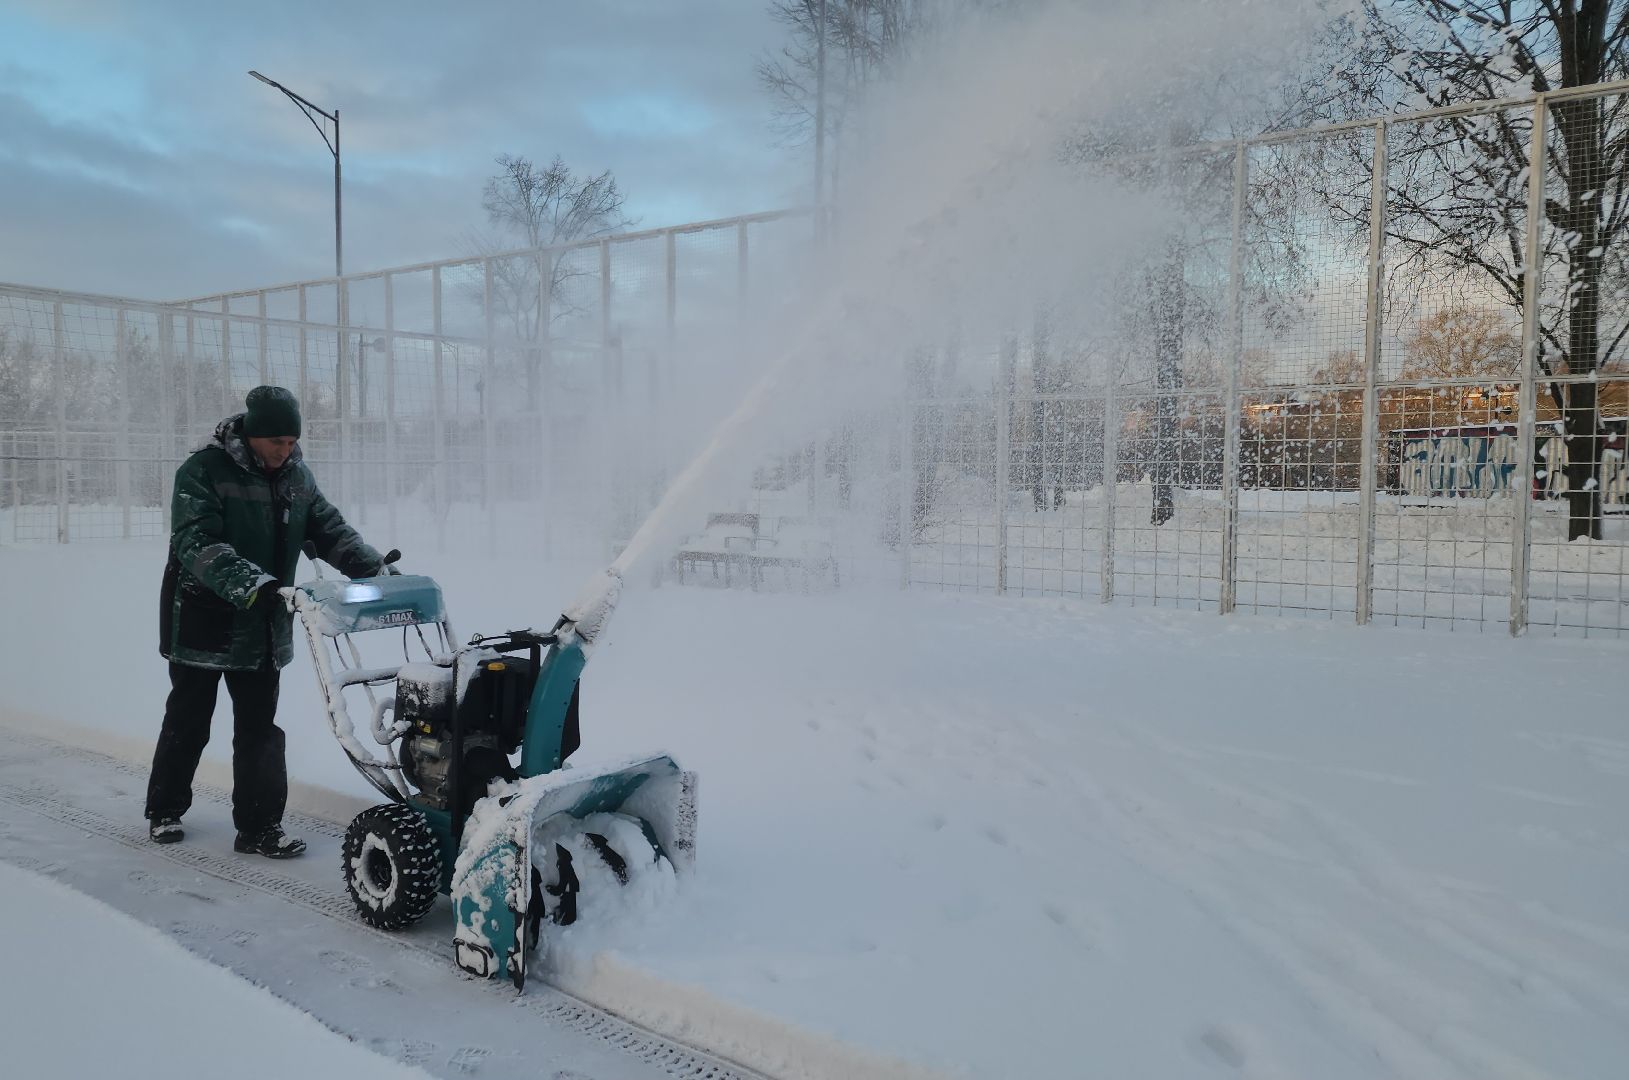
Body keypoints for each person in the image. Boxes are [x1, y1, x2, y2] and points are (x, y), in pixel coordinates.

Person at [146, 385, 392, 857]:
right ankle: (165, 809)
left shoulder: (297, 477)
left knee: (260, 729)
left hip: (263, 626)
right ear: (253, 435)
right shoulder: (202, 471)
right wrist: (252, 585)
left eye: (292, 440)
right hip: (203, 621)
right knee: (189, 721)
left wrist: (378, 570)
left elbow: (331, 531)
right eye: (277, 441)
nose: (286, 450)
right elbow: (197, 543)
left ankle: (259, 828)